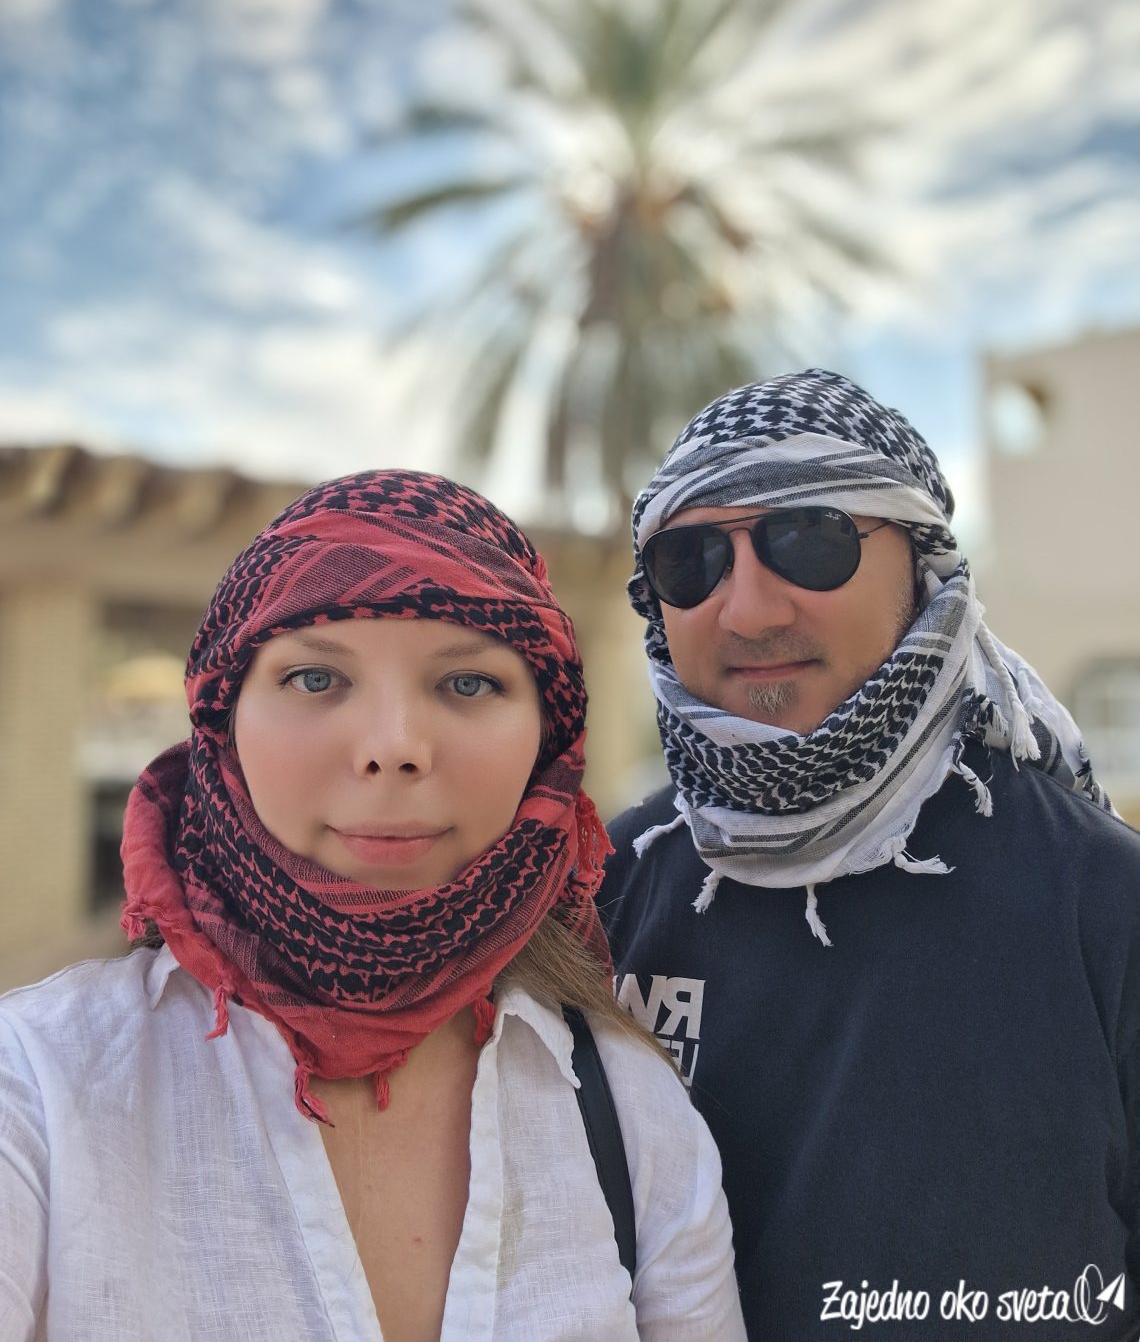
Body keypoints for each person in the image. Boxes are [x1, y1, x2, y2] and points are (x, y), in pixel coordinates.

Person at [0, 470, 746, 1342]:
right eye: (315, 677)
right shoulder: (39, 1090)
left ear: (550, 736)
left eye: (468, 684)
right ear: (221, 720)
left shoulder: (631, 1115)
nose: (394, 748)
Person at [599, 369, 1140, 1340]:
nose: (749, 610)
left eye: (809, 539)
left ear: (923, 561)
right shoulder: (605, 891)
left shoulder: (1102, 900)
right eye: (692, 561)